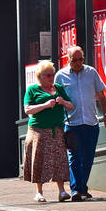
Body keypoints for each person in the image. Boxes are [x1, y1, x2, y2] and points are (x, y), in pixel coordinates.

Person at [55, 45, 106, 201]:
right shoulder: (60, 76)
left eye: (81, 59)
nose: (79, 63)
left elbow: (101, 95)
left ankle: (82, 188)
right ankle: (75, 190)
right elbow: (56, 100)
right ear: (68, 59)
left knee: (87, 158)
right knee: (74, 157)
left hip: (91, 122)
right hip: (71, 123)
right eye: (75, 60)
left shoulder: (91, 72)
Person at [22, 60, 74, 203]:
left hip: (56, 130)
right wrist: (45, 105)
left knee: (59, 160)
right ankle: (39, 192)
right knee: (39, 160)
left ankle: (62, 191)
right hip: (38, 130)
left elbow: (71, 106)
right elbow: (27, 110)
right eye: (48, 75)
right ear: (40, 76)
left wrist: (63, 102)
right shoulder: (32, 90)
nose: (51, 78)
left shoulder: (58, 88)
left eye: (52, 75)